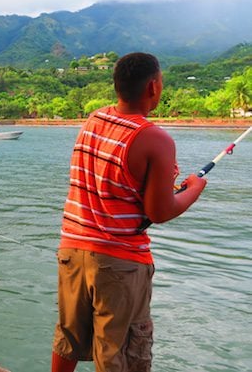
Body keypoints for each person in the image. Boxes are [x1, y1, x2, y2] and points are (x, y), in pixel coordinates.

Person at [51, 52, 208, 372]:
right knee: (120, 352)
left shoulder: (94, 120)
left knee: (68, 338)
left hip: (72, 248)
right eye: (161, 82)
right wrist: (193, 189)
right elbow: (159, 210)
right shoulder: (154, 138)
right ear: (153, 86)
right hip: (119, 261)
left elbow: (111, 185)